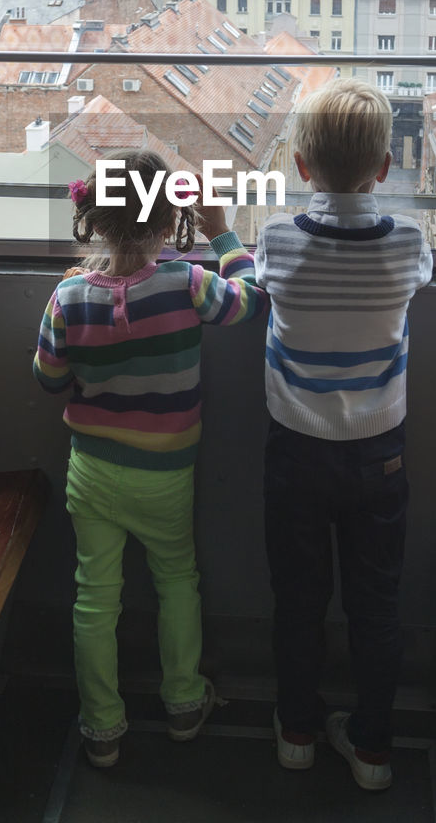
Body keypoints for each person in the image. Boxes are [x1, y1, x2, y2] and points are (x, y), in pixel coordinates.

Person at [34, 150, 266, 769]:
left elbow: (49, 377)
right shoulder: (187, 284)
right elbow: (249, 300)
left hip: (91, 471)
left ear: (96, 219)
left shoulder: (68, 296)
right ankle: (185, 703)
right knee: (176, 580)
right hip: (166, 474)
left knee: (94, 595)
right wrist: (221, 232)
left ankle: (103, 727)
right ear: (170, 223)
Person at [255, 78, 432, 791]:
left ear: (300, 166)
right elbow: (417, 278)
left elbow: (256, 277)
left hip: (295, 450)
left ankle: (296, 730)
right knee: (376, 603)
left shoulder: (276, 238)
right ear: (385, 167)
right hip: (379, 454)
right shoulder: (409, 241)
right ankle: (373, 748)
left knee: (298, 601)